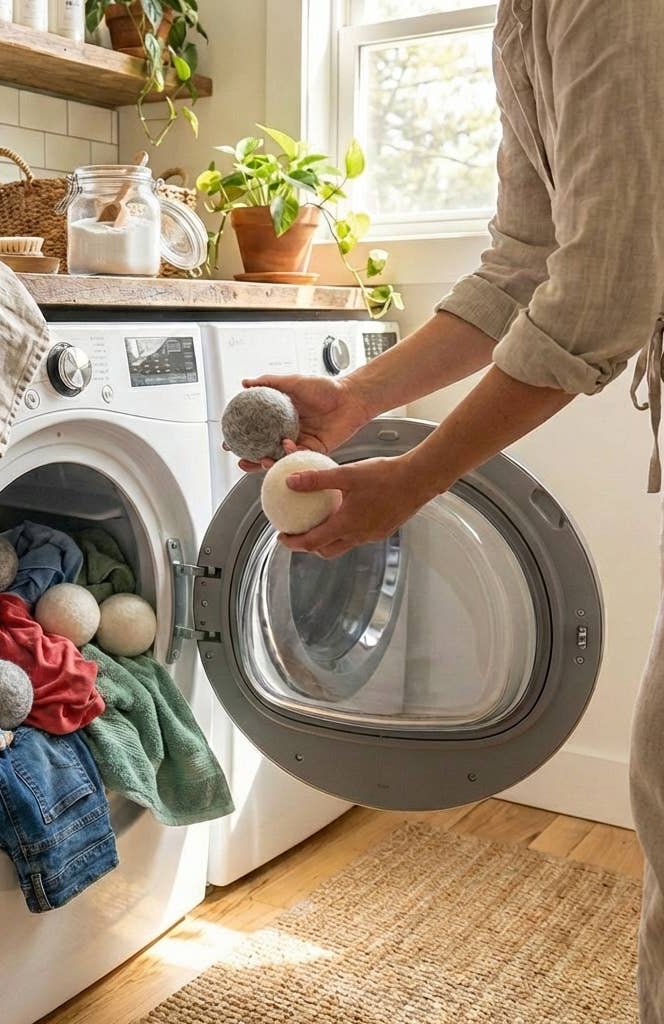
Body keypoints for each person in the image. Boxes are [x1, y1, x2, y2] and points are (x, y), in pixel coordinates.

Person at [236, 1, 664, 1017]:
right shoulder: (528, 17)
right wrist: (361, 399)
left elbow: (601, 294)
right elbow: (525, 257)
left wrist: (415, 475)